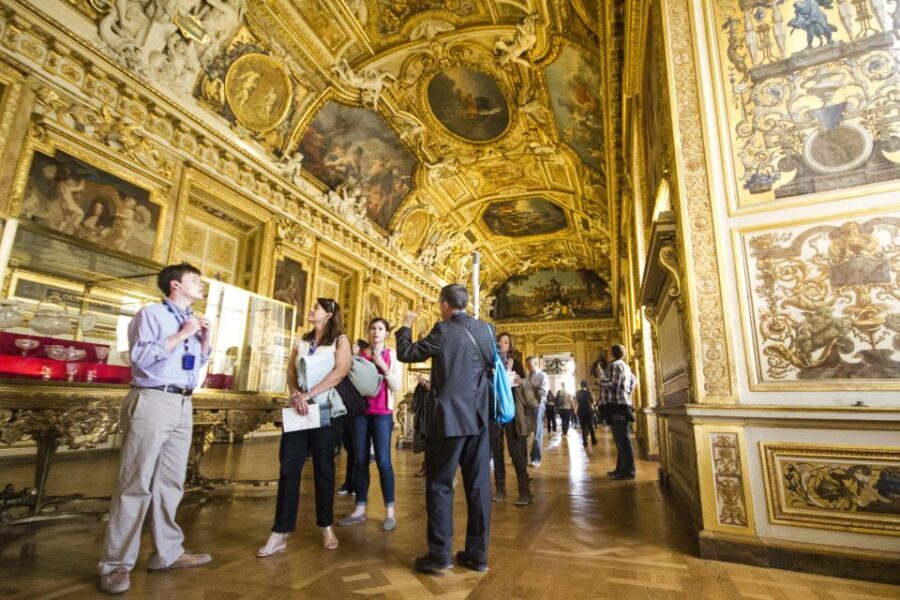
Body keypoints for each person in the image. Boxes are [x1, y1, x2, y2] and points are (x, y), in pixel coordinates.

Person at [98, 263, 213, 595]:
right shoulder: (150, 315)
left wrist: (204, 342)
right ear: (175, 285)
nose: (201, 284)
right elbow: (141, 357)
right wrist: (181, 335)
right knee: (135, 482)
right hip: (152, 398)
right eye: (195, 280)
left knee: (171, 482)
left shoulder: (193, 320)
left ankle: (168, 552)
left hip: (182, 402)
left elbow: (195, 366)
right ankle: (115, 563)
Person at [395, 283, 494, 574]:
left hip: (449, 421)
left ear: (445, 305)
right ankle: (478, 556)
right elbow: (490, 364)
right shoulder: (486, 330)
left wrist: (406, 325)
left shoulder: (443, 329)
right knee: (478, 488)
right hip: (478, 421)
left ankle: (440, 556)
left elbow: (406, 353)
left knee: (439, 486)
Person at [257, 298, 349, 557]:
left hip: (324, 410)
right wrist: (297, 394)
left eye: (316, 308)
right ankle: (280, 531)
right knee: (289, 467)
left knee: (324, 468)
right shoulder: (302, 340)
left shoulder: (340, 341)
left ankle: (326, 525)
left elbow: (341, 371)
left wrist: (309, 396)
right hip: (299, 410)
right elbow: (290, 371)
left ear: (329, 314)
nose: (311, 310)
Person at [338, 318, 403, 531]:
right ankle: (360, 508)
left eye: (381, 328)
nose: (376, 332)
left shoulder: (391, 356)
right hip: (359, 412)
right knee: (360, 459)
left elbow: (395, 385)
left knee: (384, 461)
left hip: (382, 413)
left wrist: (384, 367)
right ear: (368, 332)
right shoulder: (359, 355)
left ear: (386, 333)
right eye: (373, 328)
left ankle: (390, 512)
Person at [489, 332, 531, 506]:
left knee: (515, 452)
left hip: (511, 411)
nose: (502, 344)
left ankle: (525, 492)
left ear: (510, 345)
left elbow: (523, 384)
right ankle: (500, 489)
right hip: (495, 411)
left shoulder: (517, 364)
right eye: (500, 342)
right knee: (497, 452)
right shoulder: (491, 364)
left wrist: (519, 381)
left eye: (506, 342)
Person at [337, 339, 370, 496]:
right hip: (346, 410)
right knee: (350, 447)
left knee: (358, 449)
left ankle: (356, 484)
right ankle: (348, 482)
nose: (353, 349)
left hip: (359, 410)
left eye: (356, 347)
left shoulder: (363, 363)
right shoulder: (346, 363)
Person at [602, 344, 638, 480]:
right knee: (620, 439)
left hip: (617, 405)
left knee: (621, 439)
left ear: (612, 353)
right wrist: (627, 392)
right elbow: (635, 381)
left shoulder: (615, 365)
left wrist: (602, 382)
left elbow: (614, 385)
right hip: (621, 404)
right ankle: (620, 468)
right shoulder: (625, 366)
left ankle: (628, 470)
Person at [526, 356, 549, 467]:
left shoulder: (542, 376)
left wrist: (530, 388)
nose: (528, 367)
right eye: (527, 365)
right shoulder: (528, 375)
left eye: (529, 365)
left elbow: (544, 392)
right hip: (528, 406)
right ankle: (524, 456)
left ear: (535, 363)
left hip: (538, 406)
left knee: (537, 433)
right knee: (525, 431)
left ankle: (536, 458)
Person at [575, 380, 597, 448]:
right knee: (591, 426)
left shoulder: (577, 393)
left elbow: (578, 401)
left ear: (580, 385)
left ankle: (585, 442)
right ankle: (593, 440)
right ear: (586, 385)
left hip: (581, 411)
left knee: (583, 428)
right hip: (588, 411)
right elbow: (592, 401)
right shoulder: (588, 392)